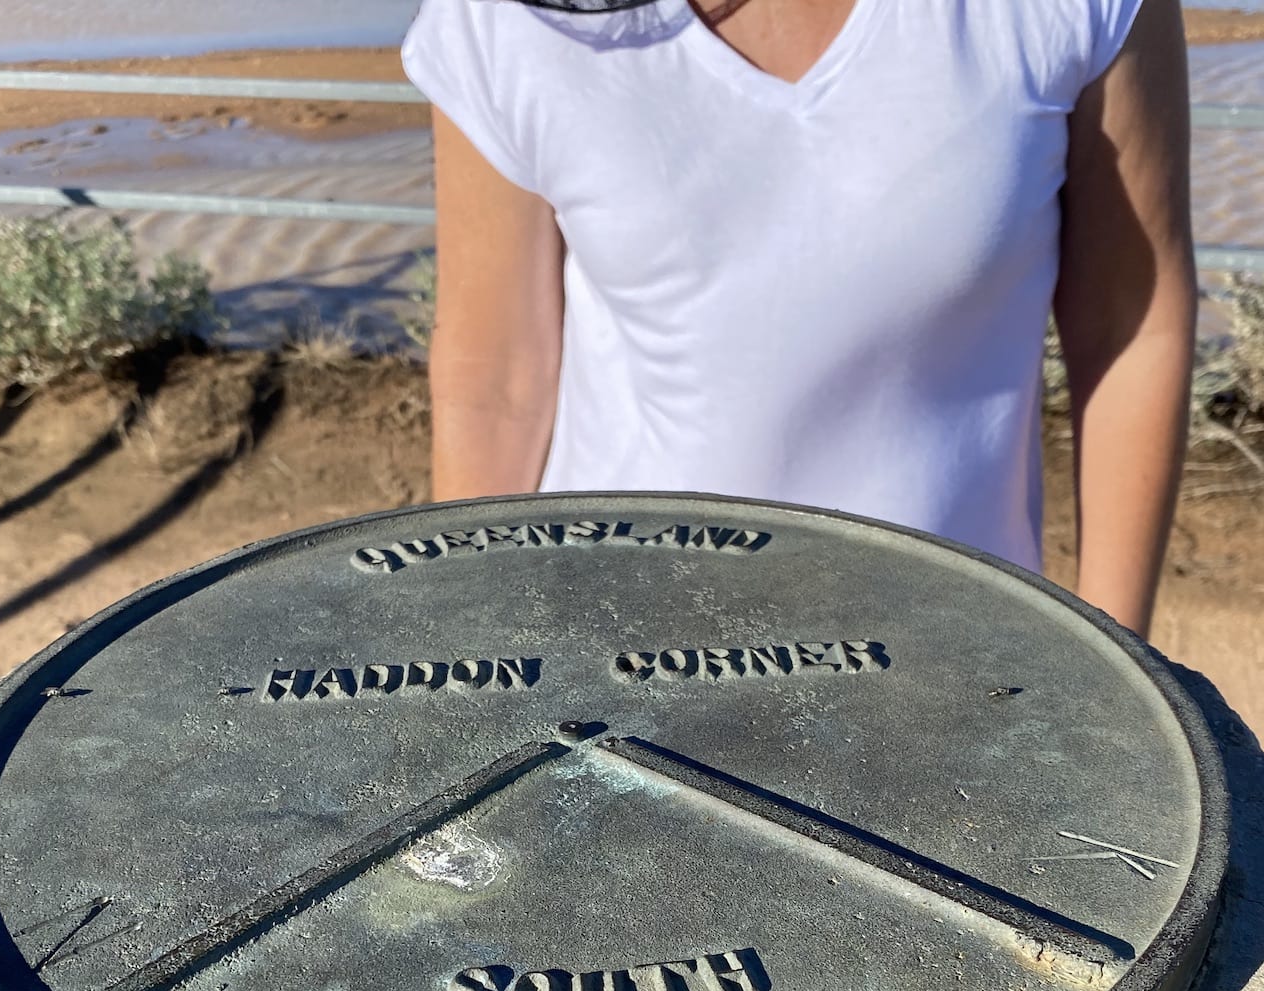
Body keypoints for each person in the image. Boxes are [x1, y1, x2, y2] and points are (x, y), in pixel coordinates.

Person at [402, 0, 1194, 636]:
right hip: (604, 662)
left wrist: (1116, 669)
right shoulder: (509, 21)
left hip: (955, 668)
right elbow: (495, 381)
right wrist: (468, 649)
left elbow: (1133, 323)